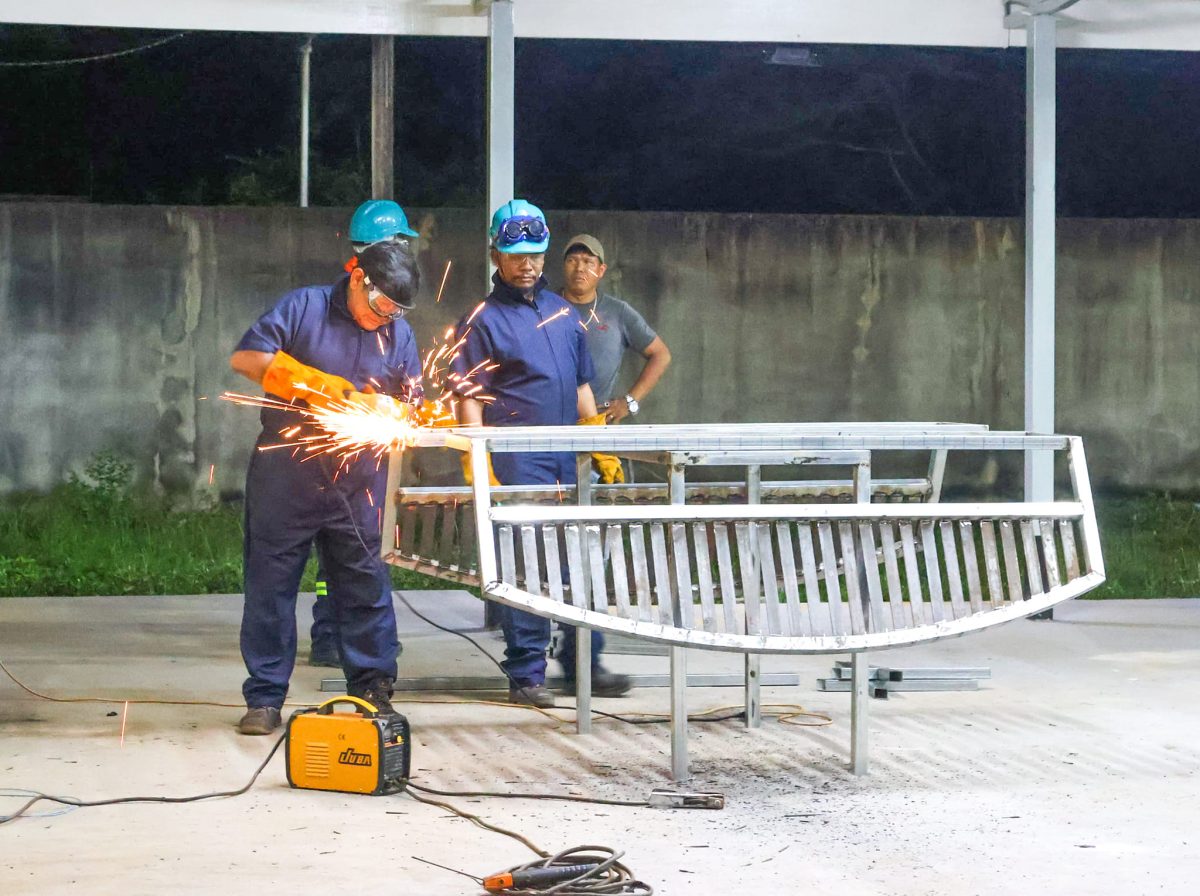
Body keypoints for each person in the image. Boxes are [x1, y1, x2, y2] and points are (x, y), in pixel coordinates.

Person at [230, 239, 422, 735]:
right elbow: (248, 358)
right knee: (271, 585)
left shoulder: (397, 334)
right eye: (381, 306)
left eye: (396, 312)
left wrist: (395, 414)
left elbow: (413, 403)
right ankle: (266, 697)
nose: (386, 318)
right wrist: (324, 389)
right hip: (286, 473)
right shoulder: (304, 307)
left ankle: (372, 689)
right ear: (358, 277)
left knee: (365, 583)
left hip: (359, 480)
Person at [449, 200, 631, 708]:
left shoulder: (562, 313)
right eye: (514, 254)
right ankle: (526, 673)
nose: (526, 264)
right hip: (515, 458)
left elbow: (579, 386)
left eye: (534, 254)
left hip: (565, 455)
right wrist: (477, 455)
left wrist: (597, 442)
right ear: (495, 255)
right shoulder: (482, 321)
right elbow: (468, 395)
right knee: (526, 564)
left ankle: (583, 665)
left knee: (579, 562)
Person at [308, 199, 422, 668]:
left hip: (356, 456)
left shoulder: (380, 317)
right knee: (360, 553)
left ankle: (333, 635)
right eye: (402, 243)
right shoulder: (333, 309)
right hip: (334, 455)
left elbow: (412, 393)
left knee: (344, 553)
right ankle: (355, 641)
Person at [560, 234, 671, 430]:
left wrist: (629, 402)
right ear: (564, 266)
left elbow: (661, 354)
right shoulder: (544, 309)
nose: (579, 268)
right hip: (550, 420)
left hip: (599, 421)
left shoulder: (618, 312)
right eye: (572, 261)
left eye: (588, 262)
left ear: (601, 270)